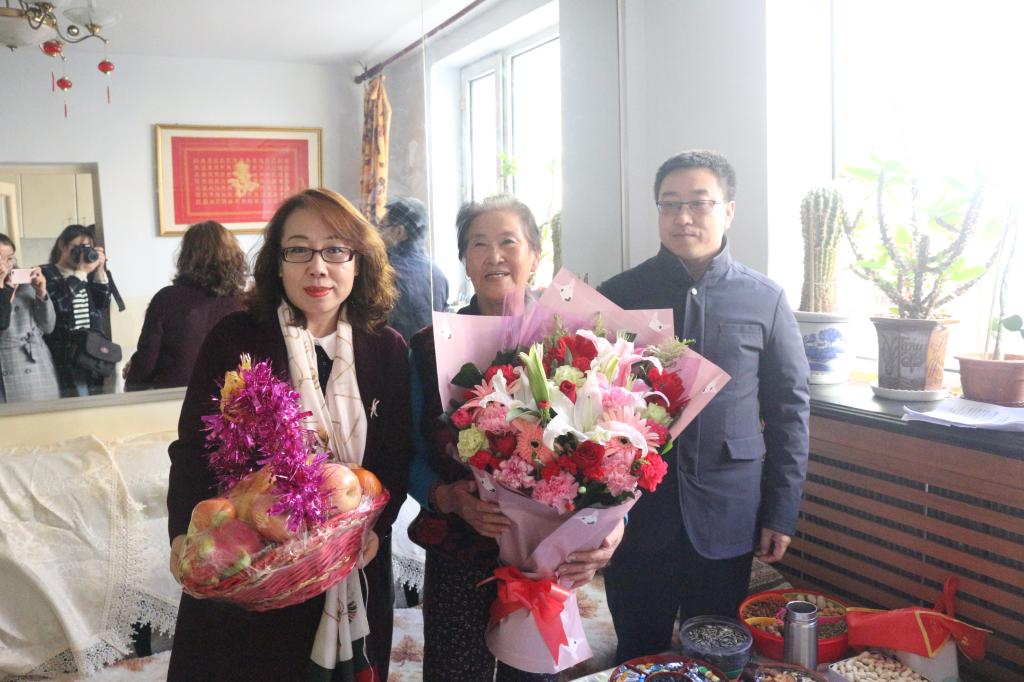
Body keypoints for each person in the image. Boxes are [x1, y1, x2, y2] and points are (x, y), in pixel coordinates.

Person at [166, 188, 412, 681]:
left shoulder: (385, 348)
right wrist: (181, 534)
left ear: (358, 262)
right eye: (299, 250)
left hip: (349, 561)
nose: (318, 268)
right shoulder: (236, 338)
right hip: (248, 563)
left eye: (335, 250)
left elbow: (395, 456)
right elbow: (193, 449)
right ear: (277, 264)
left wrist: (376, 530)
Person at [598, 150, 810, 661]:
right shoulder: (620, 295)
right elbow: (594, 404)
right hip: (639, 511)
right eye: (670, 204)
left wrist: (780, 511)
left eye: (699, 203)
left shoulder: (765, 299)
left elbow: (789, 411)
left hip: (727, 507)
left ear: (728, 211)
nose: (683, 217)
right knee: (638, 649)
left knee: (715, 649)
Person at [407, 195, 624, 682]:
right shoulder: (428, 346)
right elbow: (409, 453)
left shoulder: (573, 342)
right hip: (460, 545)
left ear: (535, 256)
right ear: (464, 261)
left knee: (531, 674)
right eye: (478, 244)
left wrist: (611, 528)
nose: (494, 256)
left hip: (544, 556)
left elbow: (617, 452)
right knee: (455, 672)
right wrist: (446, 496)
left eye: (508, 242)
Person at [124, 221, 246, 390]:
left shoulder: (166, 299)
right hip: (231, 399)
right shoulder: (244, 303)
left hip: (174, 398)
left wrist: (132, 376)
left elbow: (146, 363)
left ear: (186, 257)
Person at [40, 224, 112, 397]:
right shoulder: (46, 273)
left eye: (87, 248)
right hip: (64, 354)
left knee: (98, 403)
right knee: (76, 402)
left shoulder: (87, 273)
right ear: (62, 246)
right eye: (77, 247)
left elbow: (102, 304)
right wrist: (80, 273)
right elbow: (58, 305)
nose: (82, 253)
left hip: (93, 352)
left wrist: (99, 271)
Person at [378, 197, 449, 340]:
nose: (377, 234)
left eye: (382, 227)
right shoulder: (438, 274)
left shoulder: (387, 274)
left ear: (400, 233)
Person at [0, 234, 60, 402]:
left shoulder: (25, 283)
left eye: (9, 258)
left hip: (32, 364)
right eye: (0, 257)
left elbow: (48, 327)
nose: (5, 264)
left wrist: (41, 292)